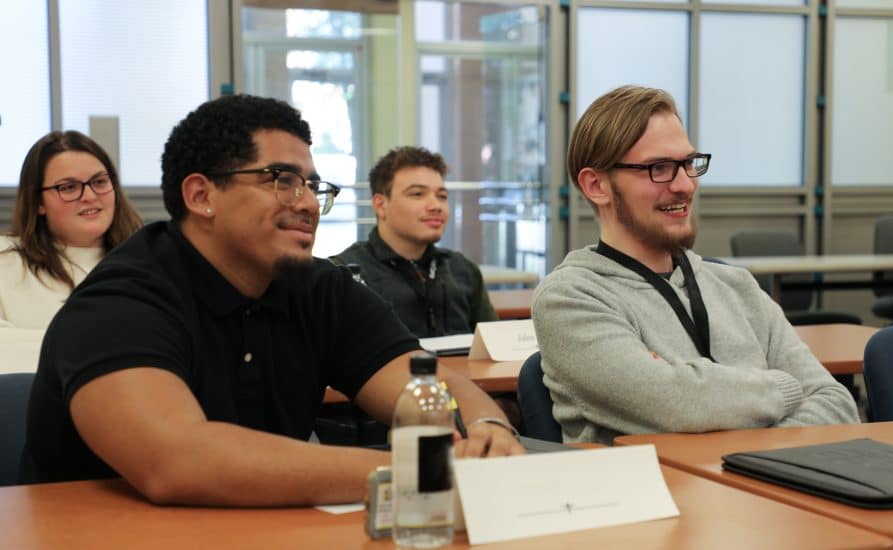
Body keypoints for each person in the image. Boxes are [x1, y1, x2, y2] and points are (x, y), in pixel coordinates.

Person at [21, 95, 523, 505]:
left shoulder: (316, 287)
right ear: (201, 195)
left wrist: (486, 427)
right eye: (281, 180)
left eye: (311, 185)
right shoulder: (120, 301)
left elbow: (426, 388)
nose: (306, 203)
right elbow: (176, 462)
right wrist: (420, 467)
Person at [532, 85, 858, 445]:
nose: (686, 185)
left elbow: (838, 406)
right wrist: (785, 386)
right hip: (657, 499)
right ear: (596, 186)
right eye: (660, 168)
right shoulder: (569, 298)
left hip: (766, 496)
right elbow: (675, 404)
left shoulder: (737, 286)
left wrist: (714, 402)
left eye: (689, 164)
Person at [0, 131, 142, 370]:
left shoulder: (149, 260)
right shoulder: (6, 259)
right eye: (68, 187)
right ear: (38, 203)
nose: (89, 196)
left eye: (99, 182)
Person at [331, 146, 497, 337]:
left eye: (442, 196)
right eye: (417, 194)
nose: (436, 206)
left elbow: (495, 348)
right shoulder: (345, 274)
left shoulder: (463, 270)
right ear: (380, 205)